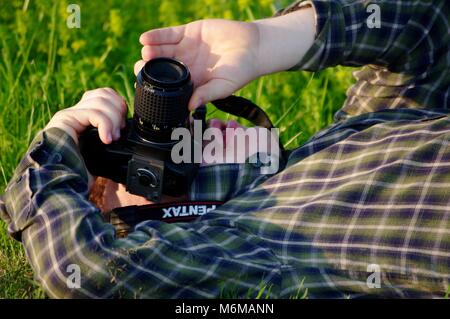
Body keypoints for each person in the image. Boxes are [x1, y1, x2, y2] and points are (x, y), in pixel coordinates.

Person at [1, 0, 449, 298]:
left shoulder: (342, 139)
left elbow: (429, 30)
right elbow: (84, 267)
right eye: (156, 171)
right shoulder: (256, 243)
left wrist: (263, 42)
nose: (193, 134)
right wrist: (59, 136)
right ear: (171, 223)